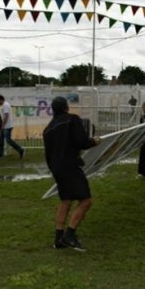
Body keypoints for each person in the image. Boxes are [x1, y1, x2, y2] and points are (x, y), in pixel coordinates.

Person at [43, 96, 101, 252]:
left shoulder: (47, 130)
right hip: (70, 166)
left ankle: (58, 239)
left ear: (53, 110)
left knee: (66, 201)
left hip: (57, 169)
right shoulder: (72, 119)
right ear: (66, 107)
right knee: (86, 201)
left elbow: (48, 155)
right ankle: (69, 235)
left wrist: (54, 169)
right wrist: (94, 141)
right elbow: (81, 142)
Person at [0, 94, 25, 159]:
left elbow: (6, 116)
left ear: (0, 99)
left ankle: (20, 150)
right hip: (5, 125)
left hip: (7, 126)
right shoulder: (5, 105)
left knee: (8, 140)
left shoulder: (6, 105)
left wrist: (3, 125)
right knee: (0, 140)